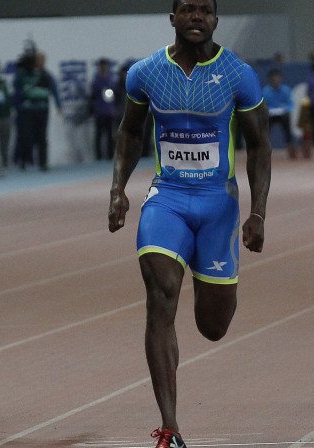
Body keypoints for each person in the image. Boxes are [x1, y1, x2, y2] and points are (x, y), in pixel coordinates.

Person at [108, 1, 271, 446]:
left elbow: (259, 145)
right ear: (172, 17)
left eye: (204, 10)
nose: (196, 16)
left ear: (216, 20)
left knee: (213, 326)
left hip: (218, 206)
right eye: (186, 9)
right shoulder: (145, 73)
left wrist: (257, 212)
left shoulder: (238, 74)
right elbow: (129, 131)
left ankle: (207, 273)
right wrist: (118, 189)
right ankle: (170, 427)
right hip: (168, 200)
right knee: (160, 296)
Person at [13, 49, 61, 171]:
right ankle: (24, 160)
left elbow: (54, 90)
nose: (42, 62)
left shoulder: (46, 75)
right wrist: (17, 104)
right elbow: (16, 88)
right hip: (26, 110)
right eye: (39, 59)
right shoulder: (23, 74)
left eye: (43, 59)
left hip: (42, 109)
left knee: (42, 137)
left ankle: (43, 162)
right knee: (26, 136)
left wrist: (58, 105)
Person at [261, 68, 297, 159]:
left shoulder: (286, 90)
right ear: (270, 79)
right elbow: (262, 105)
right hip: (270, 115)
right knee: (264, 130)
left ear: (280, 78)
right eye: (273, 78)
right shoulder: (265, 91)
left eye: (277, 78)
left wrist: (285, 109)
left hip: (283, 114)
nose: (275, 80)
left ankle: (291, 149)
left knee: (287, 127)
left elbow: (290, 104)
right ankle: (264, 151)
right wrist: (268, 111)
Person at [90, 57, 117, 160]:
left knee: (110, 135)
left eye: (105, 66)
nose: (103, 68)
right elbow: (93, 94)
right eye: (102, 66)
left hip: (110, 111)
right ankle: (99, 156)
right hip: (99, 111)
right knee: (99, 135)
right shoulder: (96, 80)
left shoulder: (111, 79)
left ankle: (110, 155)